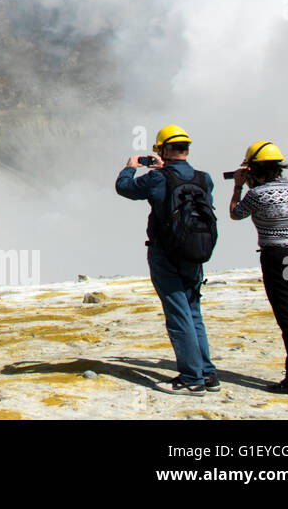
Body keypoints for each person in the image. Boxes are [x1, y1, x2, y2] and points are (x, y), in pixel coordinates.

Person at [115, 124, 219, 395]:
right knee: (194, 310)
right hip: (195, 252)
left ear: (162, 150)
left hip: (165, 253)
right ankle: (207, 374)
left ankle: (190, 378)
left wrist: (131, 166)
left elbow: (124, 188)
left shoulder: (157, 179)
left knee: (177, 312)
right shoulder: (204, 178)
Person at [229, 141, 288, 396]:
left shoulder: (258, 194)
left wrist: (239, 186)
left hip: (283, 258)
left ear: (255, 168)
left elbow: (236, 214)